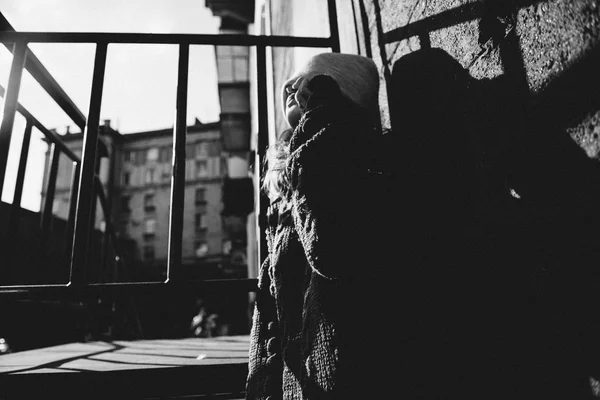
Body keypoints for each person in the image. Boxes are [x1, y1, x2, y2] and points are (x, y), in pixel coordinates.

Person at [245, 52, 398, 400]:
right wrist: (260, 384)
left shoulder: (354, 159)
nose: (291, 88)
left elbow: (332, 246)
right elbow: (269, 306)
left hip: (345, 369)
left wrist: (321, 117)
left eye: (310, 82)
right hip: (295, 381)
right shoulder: (288, 191)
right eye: (290, 83)